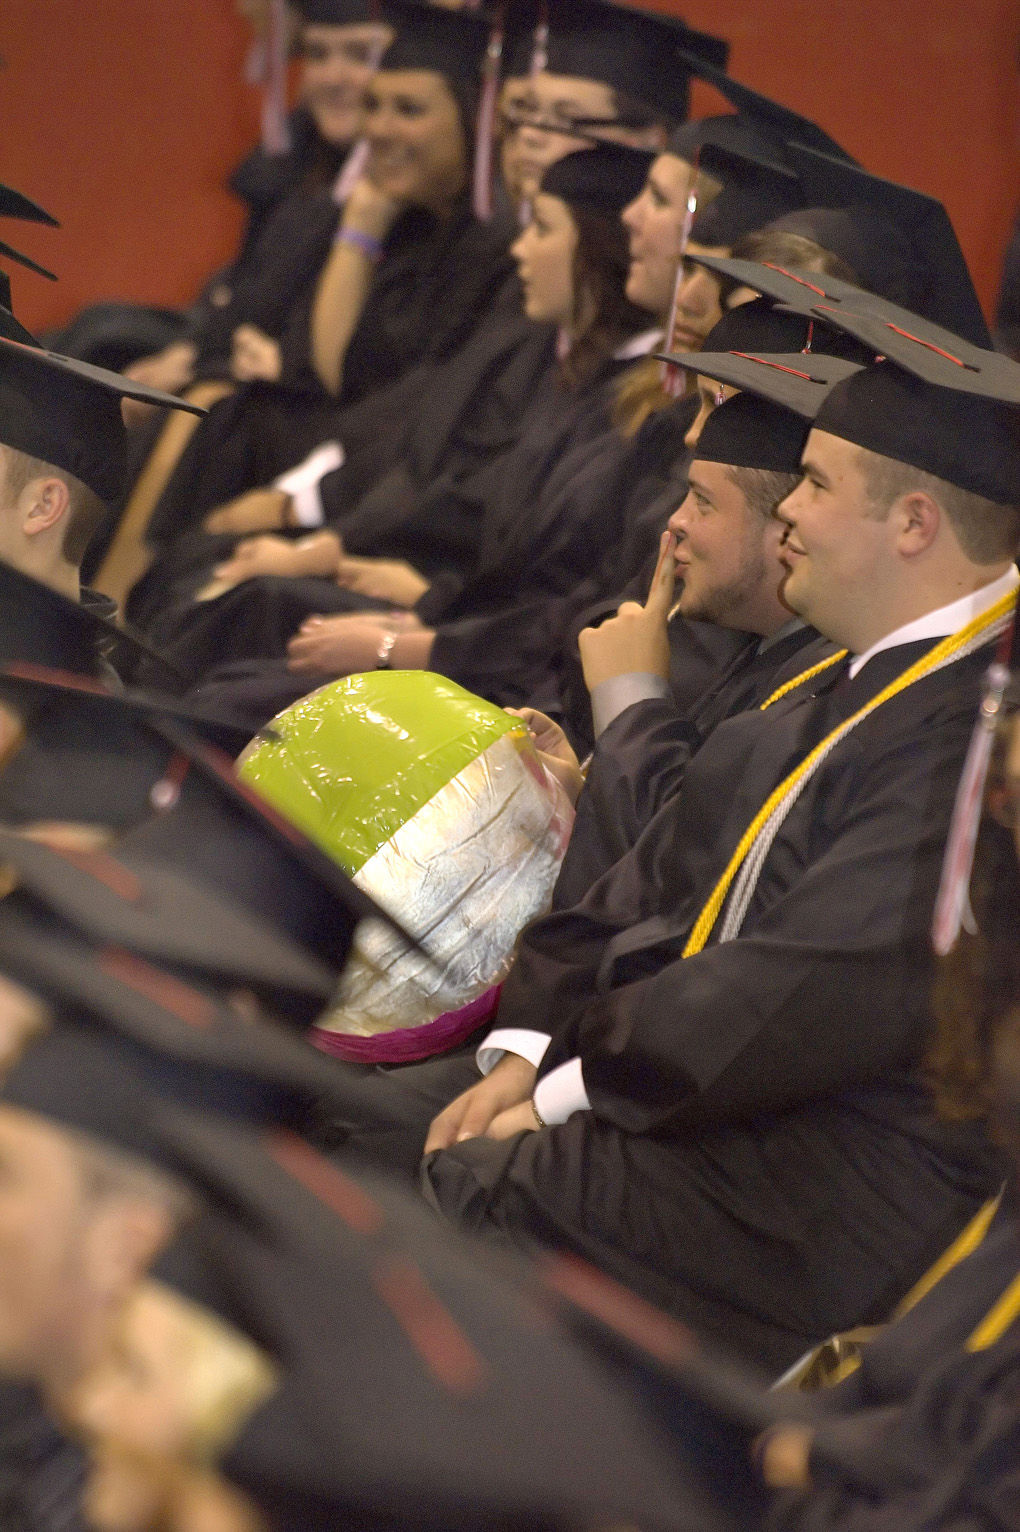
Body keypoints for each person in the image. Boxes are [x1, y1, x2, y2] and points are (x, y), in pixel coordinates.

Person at [400, 309, 1020, 1374]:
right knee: (384, 1134)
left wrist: (567, 1088)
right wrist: (541, 1054)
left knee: (466, 1187)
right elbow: (670, 885)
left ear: (914, 523)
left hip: (837, 1190)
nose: (792, 516)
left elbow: (804, 988)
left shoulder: (977, 735)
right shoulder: (875, 679)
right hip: (741, 1105)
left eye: (814, 483)